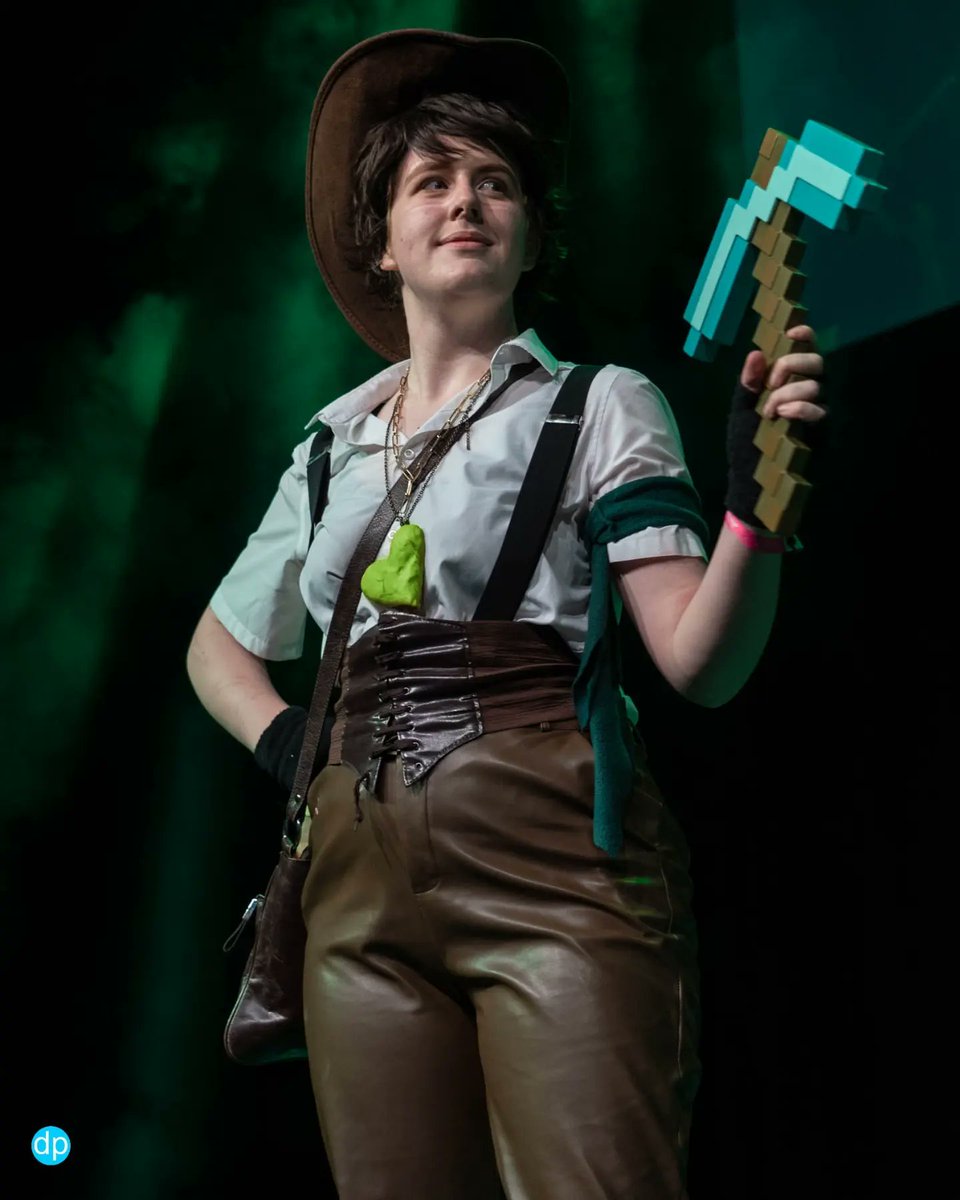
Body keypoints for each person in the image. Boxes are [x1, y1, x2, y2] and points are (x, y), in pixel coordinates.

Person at [186, 29, 826, 1200]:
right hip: (355, 893)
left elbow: (701, 661)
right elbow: (218, 644)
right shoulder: (330, 448)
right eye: (431, 181)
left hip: (553, 866)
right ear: (381, 239)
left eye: (497, 182)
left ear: (532, 233)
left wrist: (754, 510)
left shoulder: (599, 403)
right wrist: (293, 747)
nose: (466, 201)